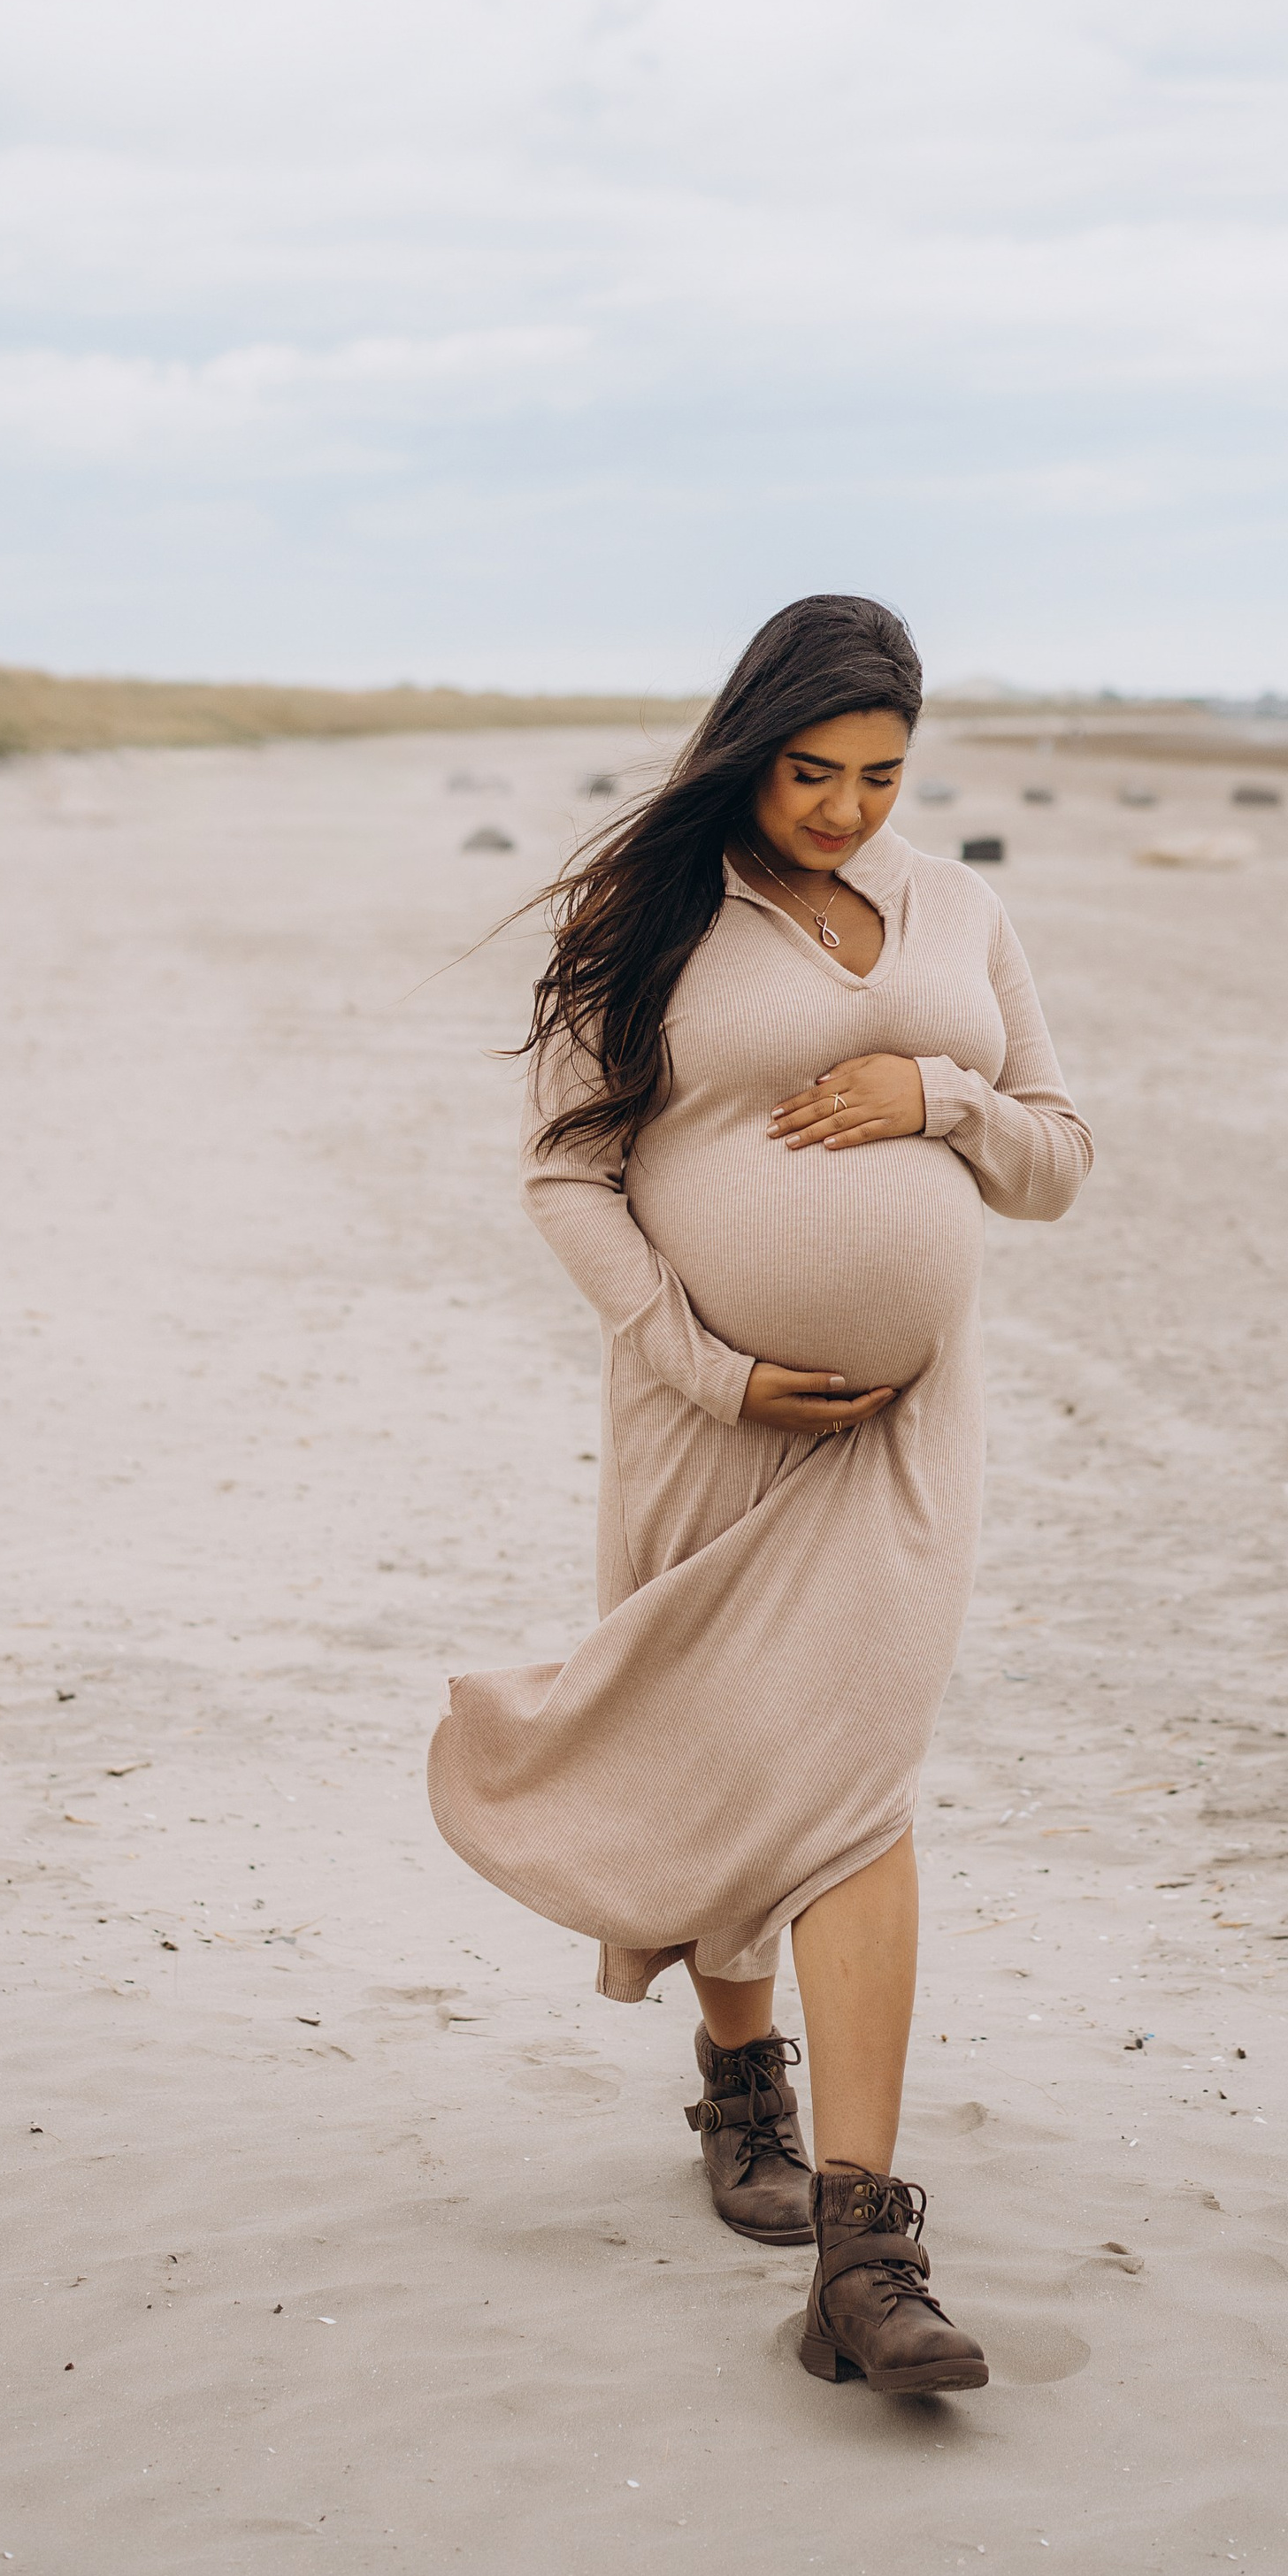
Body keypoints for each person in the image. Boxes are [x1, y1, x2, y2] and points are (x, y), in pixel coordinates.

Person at [428, 593, 1092, 2393]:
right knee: (721, 1757)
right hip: (707, 1417)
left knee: (854, 1783)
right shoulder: (644, 919)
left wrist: (935, 1095)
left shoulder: (960, 910)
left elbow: (1057, 1161)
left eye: (880, 775)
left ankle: (868, 2257)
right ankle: (740, 2089)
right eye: (811, 772)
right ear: (750, 747)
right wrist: (705, 1362)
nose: (845, 809)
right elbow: (567, 1176)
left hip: (900, 1431)